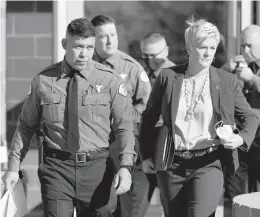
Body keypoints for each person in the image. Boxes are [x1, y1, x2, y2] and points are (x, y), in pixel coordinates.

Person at [2, 17, 136, 217]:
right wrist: (13, 167)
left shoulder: (110, 81)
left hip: (97, 168)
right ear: (65, 44)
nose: (84, 54)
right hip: (57, 168)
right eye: (78, 47)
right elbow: (26, 126)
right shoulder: (43, 81)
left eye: (90, 47)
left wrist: (125, 166)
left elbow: (124, 126)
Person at [139, 17, 258, 217]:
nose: (208, 53)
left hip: (208, 163)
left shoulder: (226, 80)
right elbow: (149, 118)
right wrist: (146, 155)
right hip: (171, 164)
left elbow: (250, 117)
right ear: (189, 47)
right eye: (203, 47)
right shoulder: (168, 77)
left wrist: (240, 138)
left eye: (212, 48)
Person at [91, 15, 152, 217]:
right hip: (93, 146)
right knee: (99, 206)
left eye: (113, 35)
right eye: (103, 36)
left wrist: (123, 117)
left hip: (123, 144)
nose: (109, 41)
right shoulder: (84, 65)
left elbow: (146, 105)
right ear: (92, 39)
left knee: (128, 208)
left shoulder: (131, 67)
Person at [221, 24, 260, 215]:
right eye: (242, 46)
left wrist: (252, 78)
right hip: (241, 136)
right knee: (233, 188)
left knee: (257, 192)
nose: (244, 51)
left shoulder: (251, 72)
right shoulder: (243, 66)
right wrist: (226, 69)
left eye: (249, 46)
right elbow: (214, 84)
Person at [139, 32, 176, 216]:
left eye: (154, 55)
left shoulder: (177, 76)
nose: (149, 60)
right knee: (134, 208)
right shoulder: (140, 75)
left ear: (166, 51)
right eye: (145, 56)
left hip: (169, 151)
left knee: (171, 207)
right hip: (143, 152)